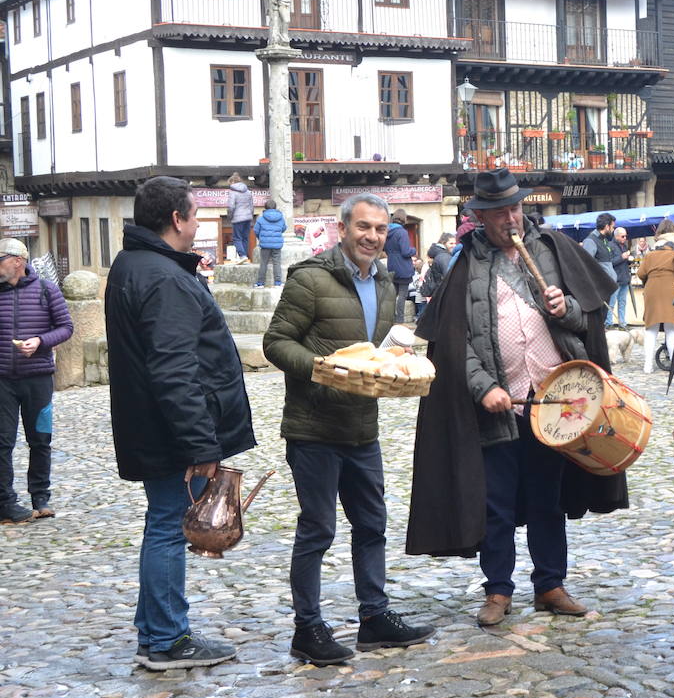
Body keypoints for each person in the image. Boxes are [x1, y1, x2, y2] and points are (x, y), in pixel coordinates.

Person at [408, 169, 626, 626]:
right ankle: (498, 591)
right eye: (500, 212)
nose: (511, 219)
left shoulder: (550, 250)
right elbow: (453, 341)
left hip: (554, 400)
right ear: (481, 217)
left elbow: (588, 320)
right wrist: (482, 386)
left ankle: (550, 584)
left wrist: (566, 308)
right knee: (497, 501)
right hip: (498, 402)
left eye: (515, 208)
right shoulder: (464, 266)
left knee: (549, 497)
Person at [261, 194, 435, 665]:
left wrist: (397, 362)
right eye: (363, 227)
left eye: (380, 229)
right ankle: (307, 628)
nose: (372, 237)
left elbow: (372, 353)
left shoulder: (384, 284)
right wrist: (319, 368)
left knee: (372, 525)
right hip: (314, 428)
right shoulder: (311, 280)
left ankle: (374, 618)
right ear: (343, 229)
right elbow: (275, 343)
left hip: (362, 428)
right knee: (317, 529)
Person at [106, 176, 256, 670]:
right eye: (195, 215)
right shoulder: (163, 277)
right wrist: (201, 444)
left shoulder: (134, 263)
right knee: (171, 528)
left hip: (150, 423)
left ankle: (155, 630)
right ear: (176, 219)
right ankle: (168, 639)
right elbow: (174, 369)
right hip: (169, 431)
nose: (197, 224)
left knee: (162, 525)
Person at [0, 239, 73, 524]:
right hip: (3, 380)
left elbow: (66, 327)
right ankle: (6, 503)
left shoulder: (46, 290)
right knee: (2, 443)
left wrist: (40, 341)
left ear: (18, 261)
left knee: (40, 440)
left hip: (39, 380)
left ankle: (40, 498)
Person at [637, 219, 674, 374]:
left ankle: (647, 365)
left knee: (651, 329)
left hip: (652, 290)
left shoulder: (650, 255)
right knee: (671, 328)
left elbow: (640, 273)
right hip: (670, 289)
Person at [383, 208, 417, 324]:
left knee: (392, 295)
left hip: (391, 265)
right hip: (403, 267)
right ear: (404, 219)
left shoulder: (387, 231)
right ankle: (400, 320)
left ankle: (389, 318)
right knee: (402, 295)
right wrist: (414, 250)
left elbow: (384, 249)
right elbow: (406, 251)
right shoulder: (402, 232)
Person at [252, 198, 286, 288]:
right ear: (275, 207)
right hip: (277, 244)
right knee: (277, 263)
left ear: (265, 207)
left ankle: (260, 283)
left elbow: (256, 230)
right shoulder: (281, 217)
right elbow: (284, 228)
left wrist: (261, 238)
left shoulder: (261, 218)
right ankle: (278, 283)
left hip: (265, 245)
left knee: (263, 263)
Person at [227, 173, 254, 263]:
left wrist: (229, 217)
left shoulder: (232, 192)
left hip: (237, 218)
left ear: (233, 182)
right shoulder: (248, 192)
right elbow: (251, 207)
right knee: (245, 238)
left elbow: (231, 207)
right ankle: (244, 256)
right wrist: (251, 217)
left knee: (237, 238)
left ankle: (242, 255)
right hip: (248, 218)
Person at [609, 227, 633, 329]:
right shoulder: (610, 246)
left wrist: (629, 259)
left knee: (622, 302)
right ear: (616, 236)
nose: (625, 238)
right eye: (623, 236)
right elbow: (609, 262)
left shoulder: (624, 246)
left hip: (624, 278)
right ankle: (608, 323)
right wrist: (622, 257)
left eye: (626, 236)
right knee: (612, 303)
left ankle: (622, 323)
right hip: (615, 279)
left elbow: (624, 262)